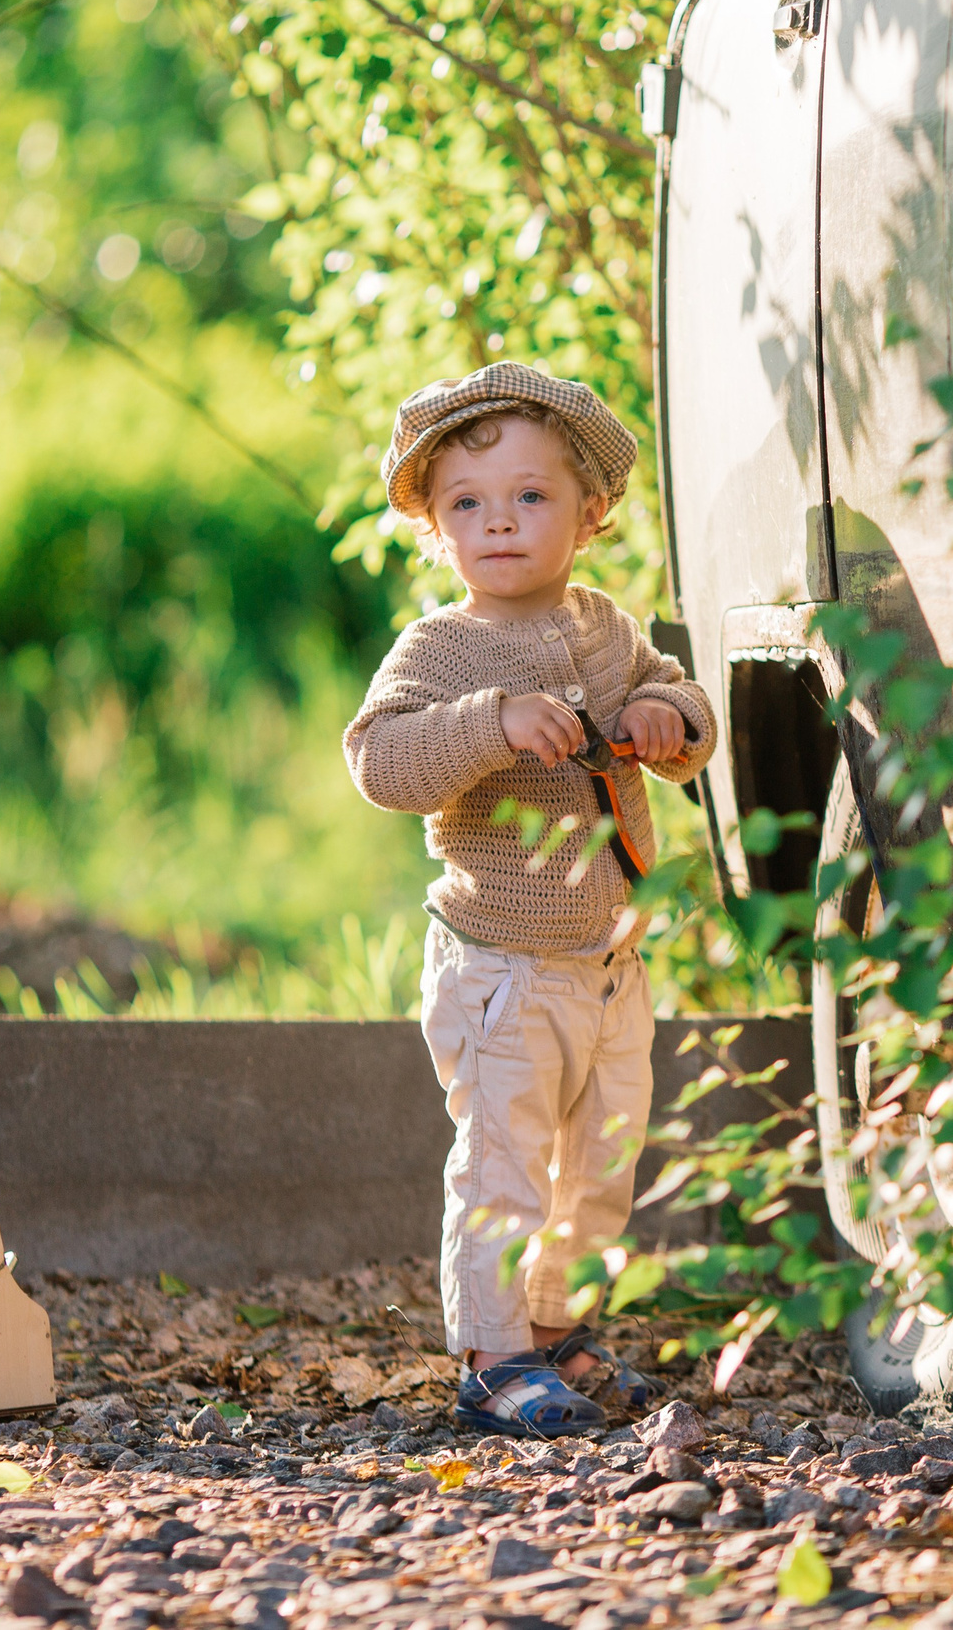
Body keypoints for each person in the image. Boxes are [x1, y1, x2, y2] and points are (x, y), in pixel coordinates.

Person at [343, 363, 717, 1438]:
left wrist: (664, 712)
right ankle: (492, 1354)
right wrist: (490, 724)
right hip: (500, 966)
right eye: (467, 504)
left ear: (589, 511)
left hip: (607, 963)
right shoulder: (443, 649)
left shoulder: (605, 627)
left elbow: (686, 707)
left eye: (529, 497)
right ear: (434, 524)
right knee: (506, 1163)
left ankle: (557, 1328)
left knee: (600, 1162)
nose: (497, 523)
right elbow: (381, 764)